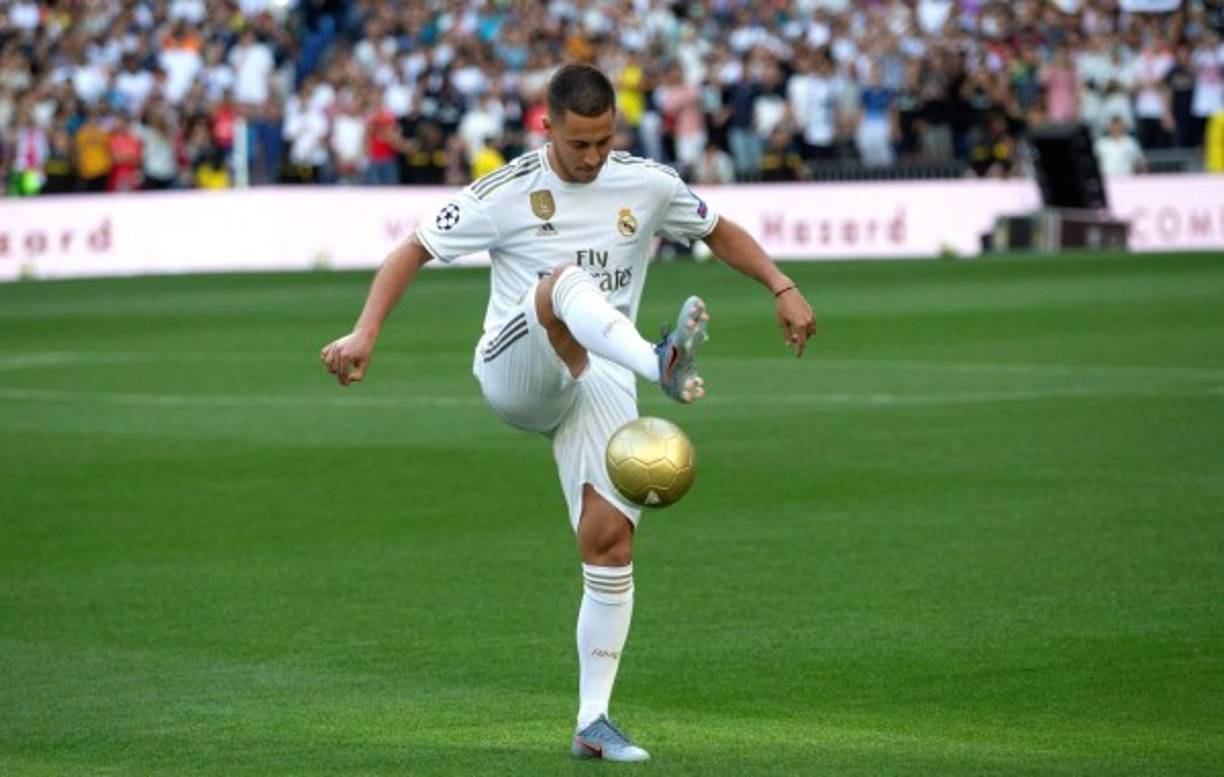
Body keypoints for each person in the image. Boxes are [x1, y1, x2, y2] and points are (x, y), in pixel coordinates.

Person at [319, 64, 816, 762]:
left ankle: (594, 720)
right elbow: (413, 250)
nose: (592, 157)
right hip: (517, 368)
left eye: (604, 141)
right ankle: (660, 363)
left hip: (600, 371)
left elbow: (717, 228)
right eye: (579, 143)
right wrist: (364, 332)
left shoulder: (647, 183)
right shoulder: (505, 191)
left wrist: (781, 284)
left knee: (610, 541)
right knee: (565, 284)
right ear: (546, 127)